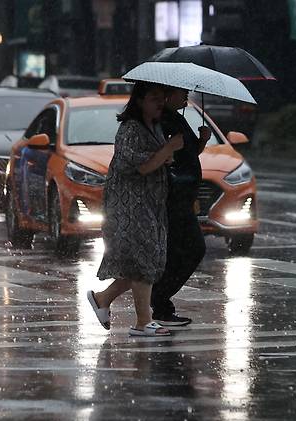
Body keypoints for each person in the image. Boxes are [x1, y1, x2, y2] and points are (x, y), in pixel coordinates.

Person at [86, 81, 185, 337]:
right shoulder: (130, 129)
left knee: (142, 262)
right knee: (144, 259)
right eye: (154, 98)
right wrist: (168, 149)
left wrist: (170, 151)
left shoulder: (154, 127)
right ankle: (143, 321)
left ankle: (102, 299)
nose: (160, 103)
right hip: (129, 205)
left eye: (162, 98)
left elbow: (159, 159)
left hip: (150, 203)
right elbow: (142, 166)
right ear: (139, 101)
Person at [150, 88, 211, 326]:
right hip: (173, 197)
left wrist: (202, 141)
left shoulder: (177, 118)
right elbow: (166, 156)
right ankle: (160, 300)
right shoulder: (162, 121)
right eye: (181, 92)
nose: (186, 95)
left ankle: (161, 303)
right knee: (192, 248)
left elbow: (187, 152)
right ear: (166, 95)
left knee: (180, 251)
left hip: (184, 196)